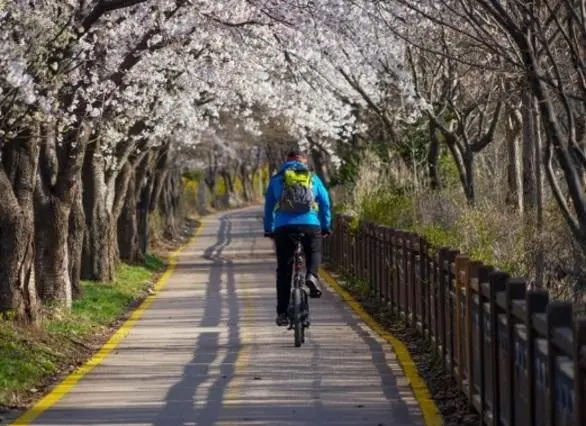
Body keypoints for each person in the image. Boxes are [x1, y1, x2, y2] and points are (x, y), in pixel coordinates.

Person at [263, 149, 332, 326]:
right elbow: (325, 203)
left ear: (287, 161)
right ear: (304, 161)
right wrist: (325, 226)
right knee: (314, 251)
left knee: (284, 270)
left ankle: (282, 313)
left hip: (283, 226)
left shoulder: (277, 179)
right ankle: (311, 275)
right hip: (310, 224)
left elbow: (269, 206)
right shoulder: (312, 178)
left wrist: (269, 228)